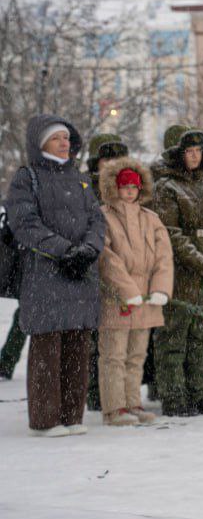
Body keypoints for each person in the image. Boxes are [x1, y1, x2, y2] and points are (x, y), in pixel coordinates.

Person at [5, 116, 106, 436]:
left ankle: (72, 416)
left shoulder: (79, 179)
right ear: (40, 143)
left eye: (66, 138)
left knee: (78, 345)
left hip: (81, 273)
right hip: (46, 273)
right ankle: (46, 420)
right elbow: (25, 223)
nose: (65, 143)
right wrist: (65, 251)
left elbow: (97, 220)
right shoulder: (27, 178)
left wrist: (88, 250)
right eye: (56, 138)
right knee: (48, 347)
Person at [150, 124, 203, 416]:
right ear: (179, 155)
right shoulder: (166, 187)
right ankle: (174, 398)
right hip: (181, 277)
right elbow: (171, 233)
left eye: (199, 151)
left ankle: (200, 394)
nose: (195, 156)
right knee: (173, 342)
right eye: (189, 151)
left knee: (201, 342)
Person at [96, 157, 173, 426]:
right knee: (113, 355)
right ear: (114, 187)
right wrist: (127, 288)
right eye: (124, 186)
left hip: (147, 298)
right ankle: (114, 408)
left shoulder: (151, 219)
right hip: (117, 297)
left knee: (136, 355)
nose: (129, 191)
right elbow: (106, 257)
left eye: (134, 187)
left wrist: (160, 288)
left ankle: (132, 402)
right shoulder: (103, 216)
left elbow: (164, 256)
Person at [83, 132, 130, 412]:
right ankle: (95, 393)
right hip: (94, 269)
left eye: (117, 159)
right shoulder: (85, 190)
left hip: (123, 270)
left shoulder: (128, 190)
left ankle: (117, 390)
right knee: (95, 338)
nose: (112, 164)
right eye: (107, 159)